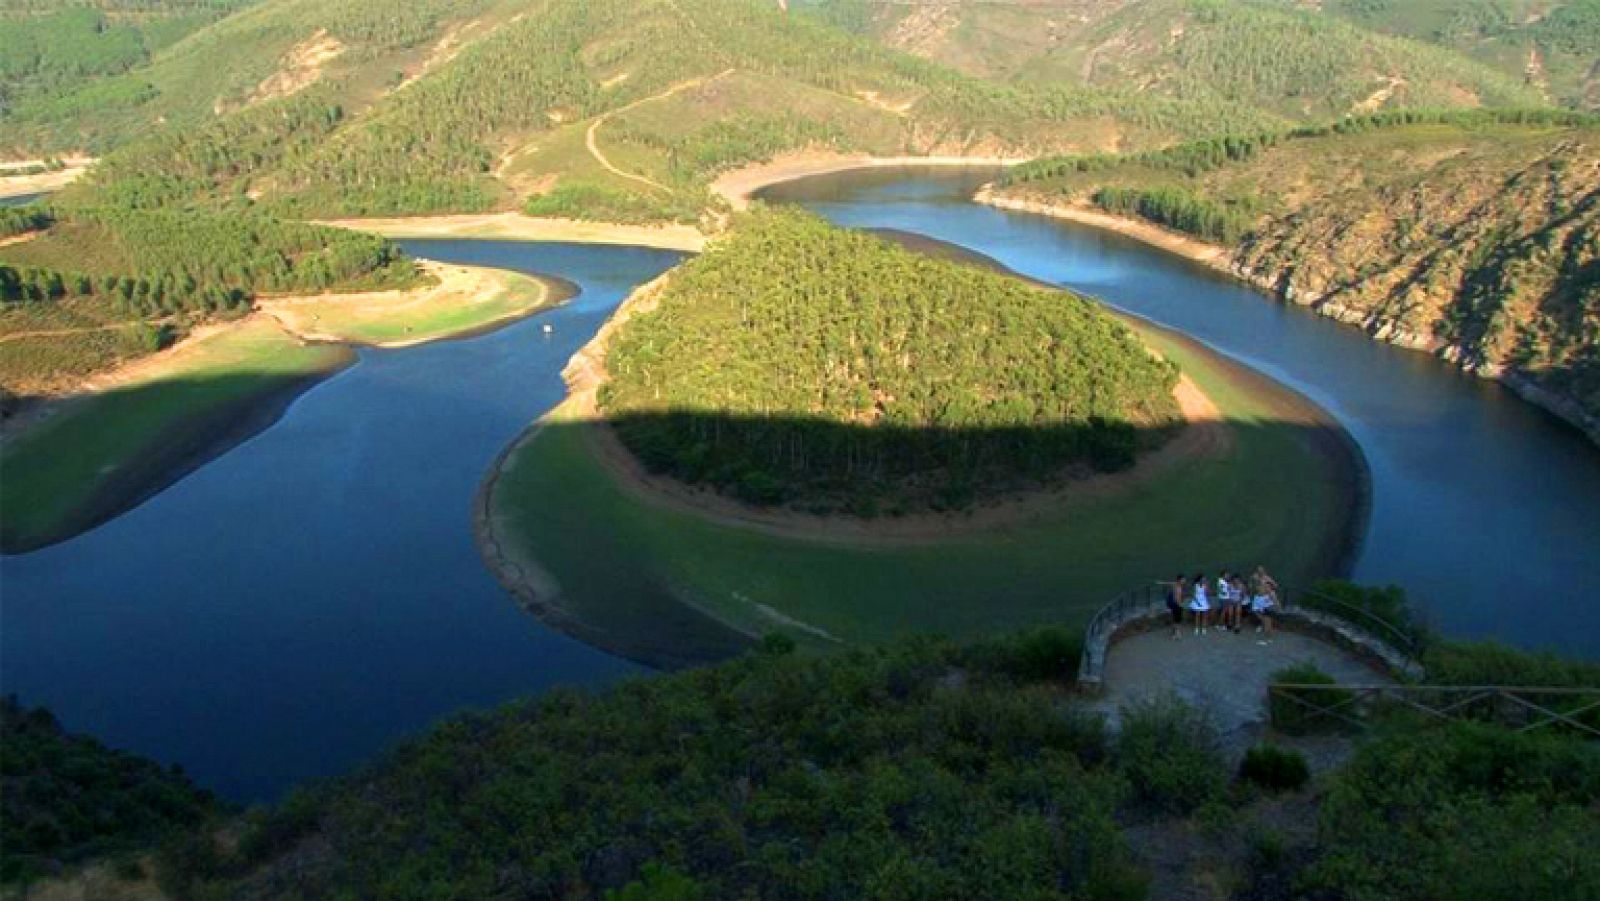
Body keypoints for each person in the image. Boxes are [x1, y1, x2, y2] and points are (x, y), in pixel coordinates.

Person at [1161, 575, 1187, 639]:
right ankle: (1176, 633)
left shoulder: (1182, 587)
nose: (1184, 581)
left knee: (1179, 620)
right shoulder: (1175, 585)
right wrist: (1161, 583)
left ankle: (1177, 633)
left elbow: (1183, 596)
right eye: (1183, 580)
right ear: (1179, 580)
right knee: (1176, 620)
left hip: (1180, 605)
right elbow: (1167, 583)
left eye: (1184, 580)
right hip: (1175, 605)